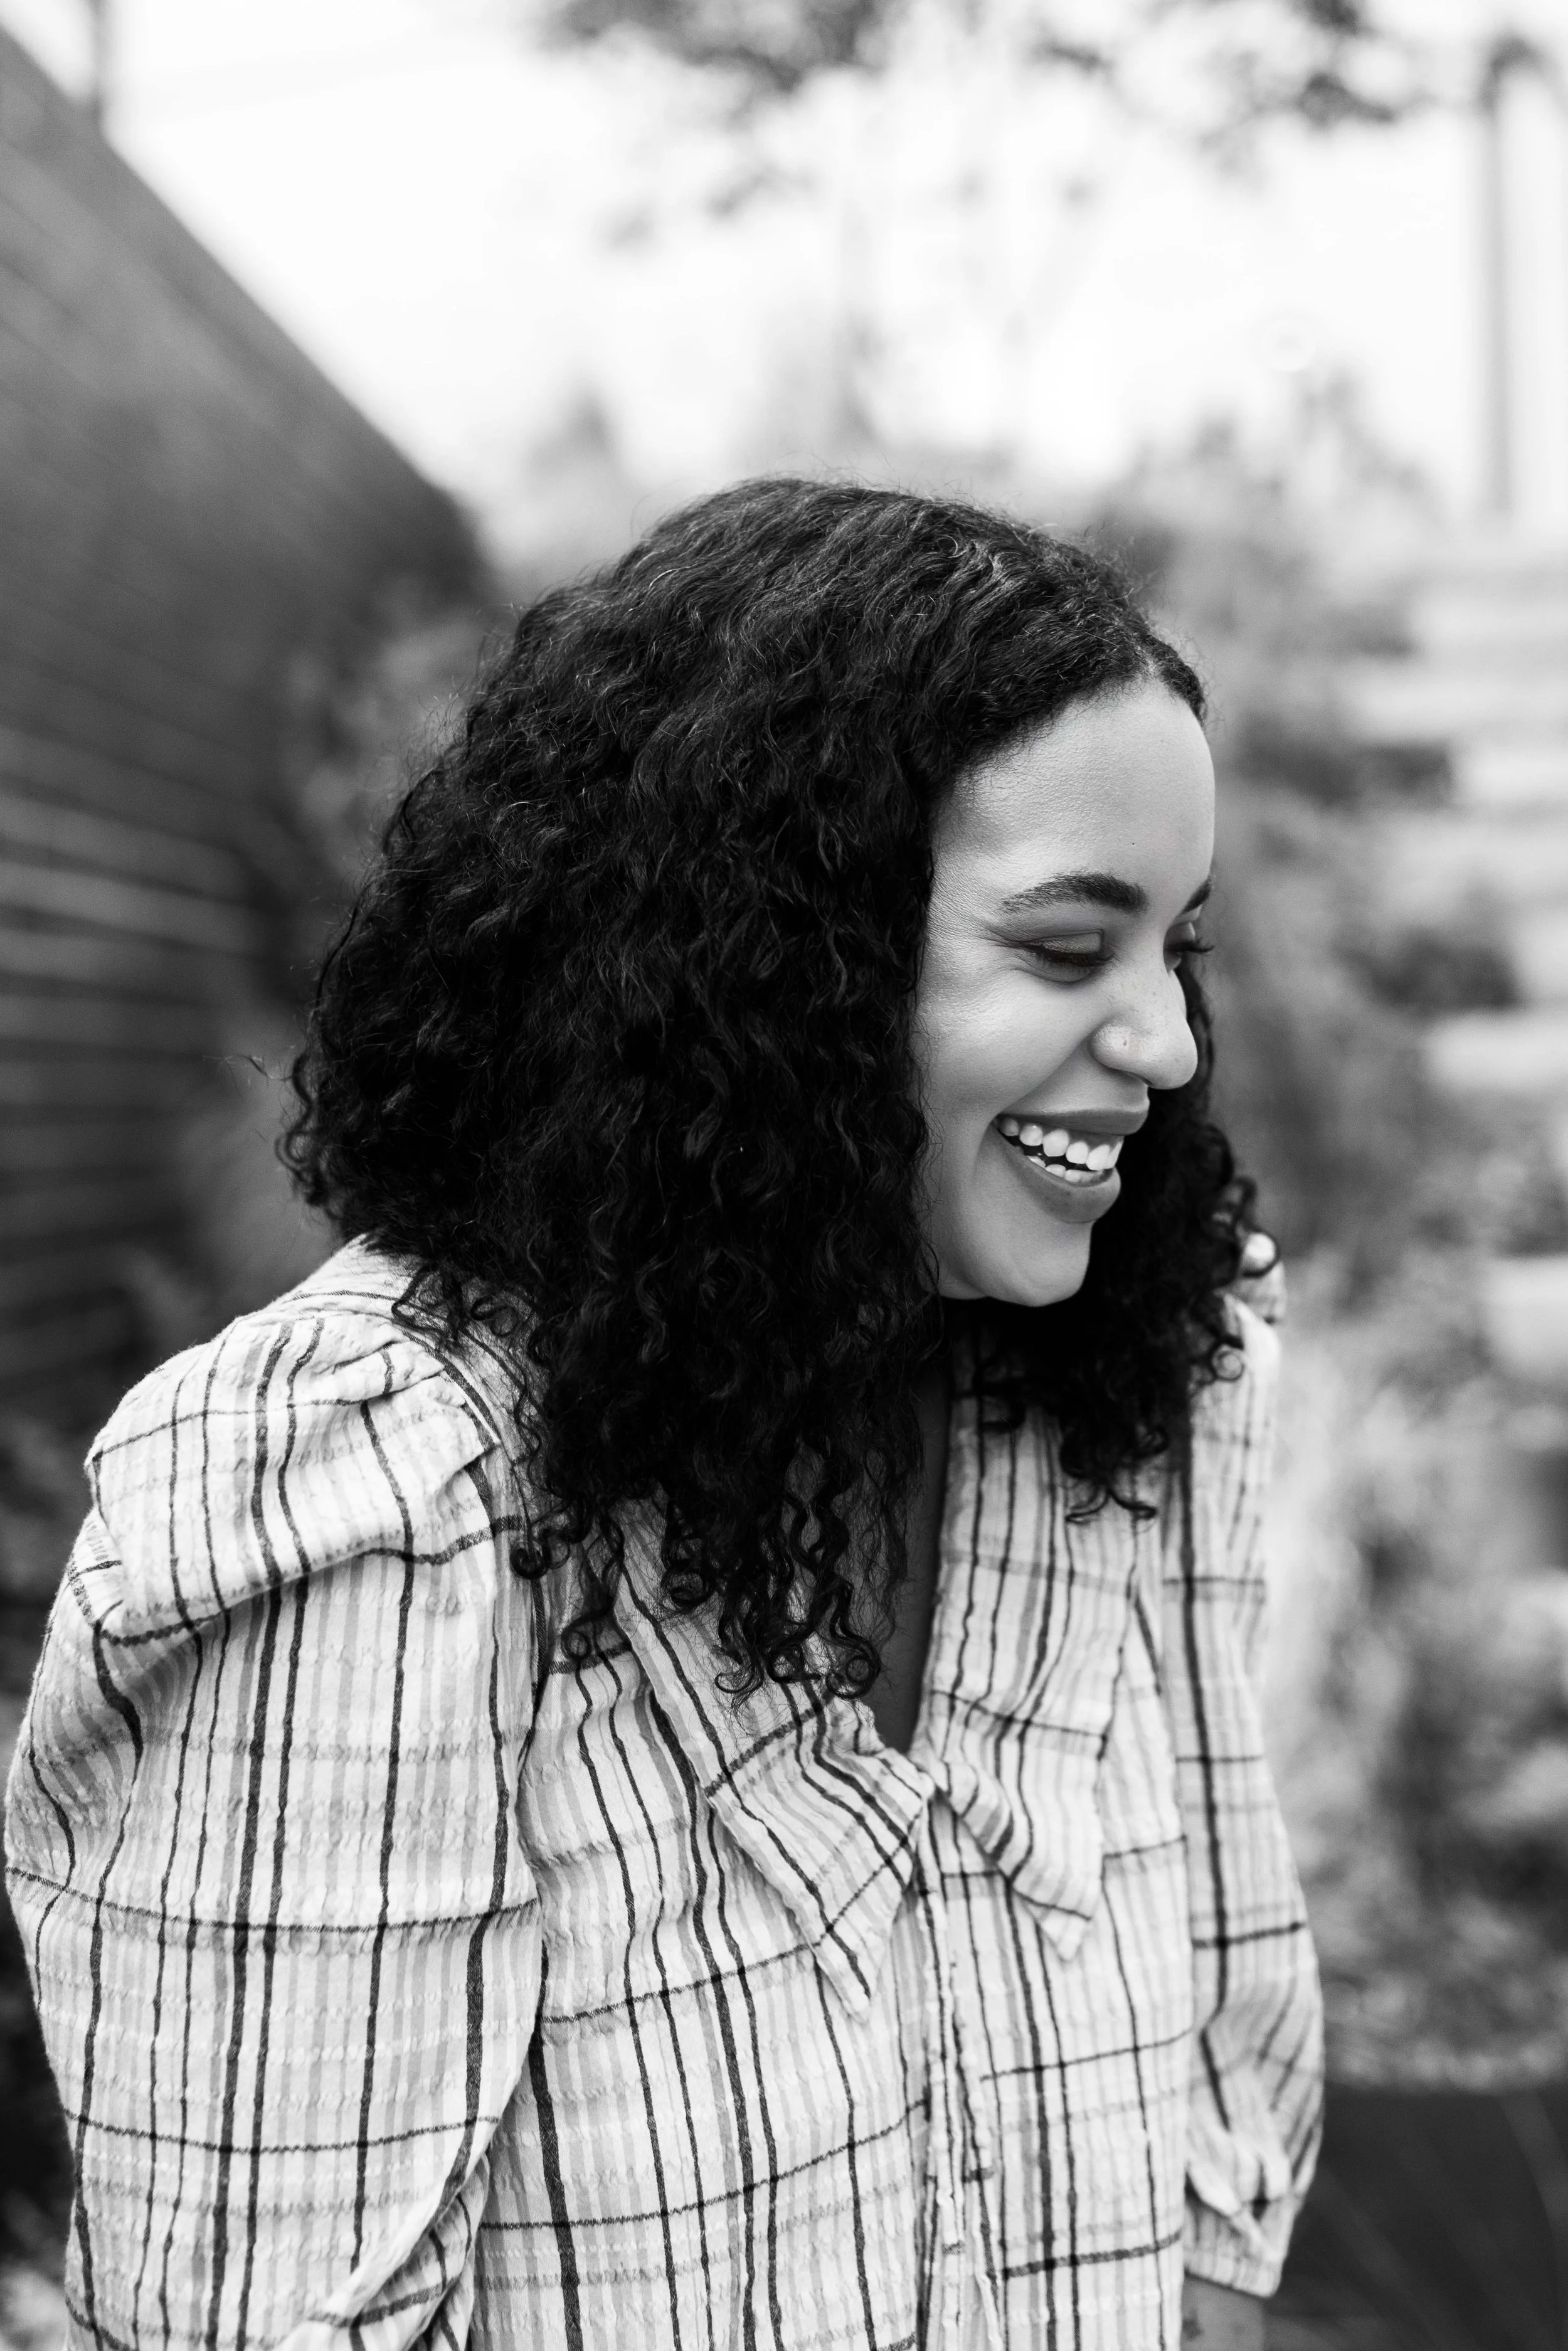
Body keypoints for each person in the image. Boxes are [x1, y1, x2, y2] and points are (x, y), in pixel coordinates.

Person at [7, 480, 1322, 2351]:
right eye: (1061, 947)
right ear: (780, 956)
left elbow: (1214, 2093)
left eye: (1170, 947)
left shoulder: (1137, 1372)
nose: (1167, 1043)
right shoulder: (386, 1484)